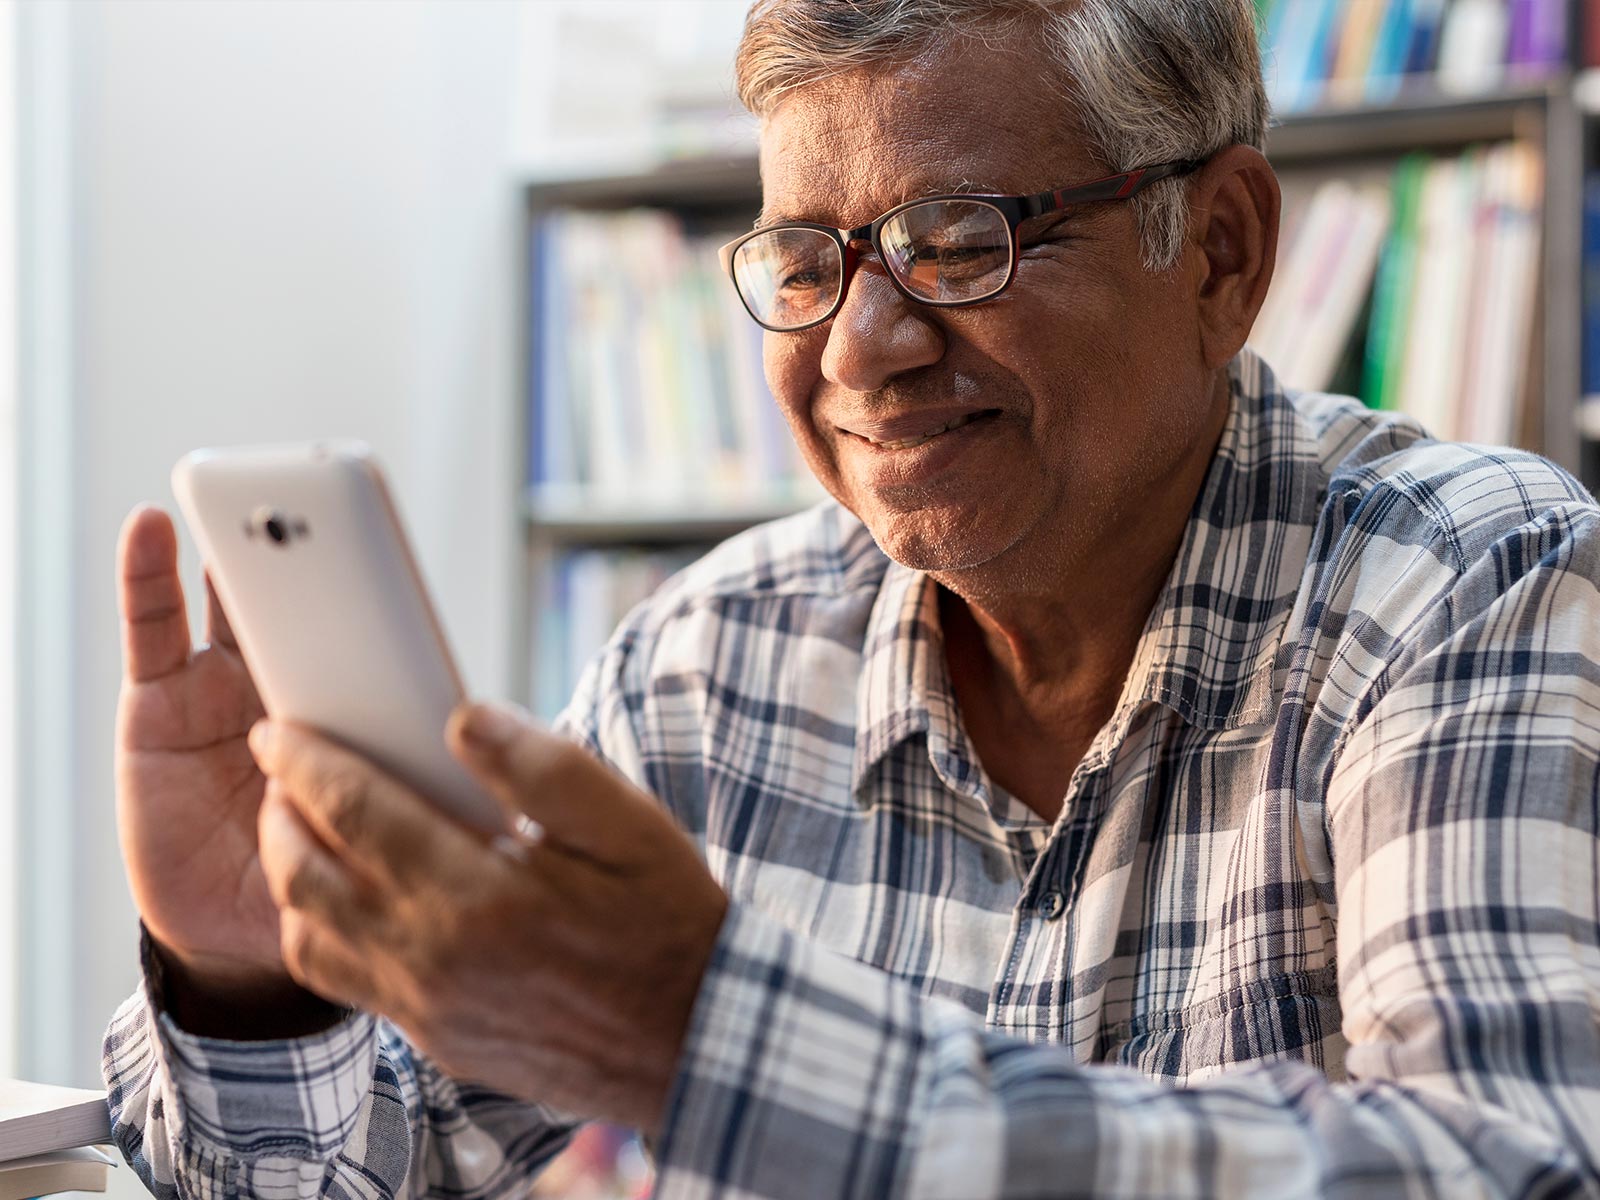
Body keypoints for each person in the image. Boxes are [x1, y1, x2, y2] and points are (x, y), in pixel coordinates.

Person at [103, 0, 1600, 1196]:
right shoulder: (705, 661)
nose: (861, 345)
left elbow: (1512, 1162)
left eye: (962, 242)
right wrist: (249, 976)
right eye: (806, 261)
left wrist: (699, 1032)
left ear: (1220, 255)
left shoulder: (1470, 583)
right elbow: (357, 1166)